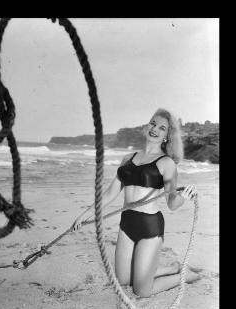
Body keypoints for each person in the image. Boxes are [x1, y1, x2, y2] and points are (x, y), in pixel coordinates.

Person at [72, 108, 200, 298]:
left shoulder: (167, 164)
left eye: (162, 128)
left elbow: (172, 203)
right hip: (127, 224)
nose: (155, 129)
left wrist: (185, 196)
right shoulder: (128, 159)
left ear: (167, 136)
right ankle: (172, 267)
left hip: (150, 228)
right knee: (123, 280)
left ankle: (185, 276)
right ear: (147, 126)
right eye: (153, 123)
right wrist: (84, 216)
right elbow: (109, 194)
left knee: (142, 291)